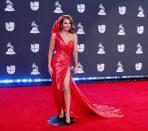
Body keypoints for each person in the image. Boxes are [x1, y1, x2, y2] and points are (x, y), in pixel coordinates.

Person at [48, 15, 123, 125]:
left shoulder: (74, 35)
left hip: (66, 64)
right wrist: (49, 66)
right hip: (56, 63)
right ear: (61, 24)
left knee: (66, 88)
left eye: (69, 23)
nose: (67, 25)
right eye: (65, 23)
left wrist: (77, 65)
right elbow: (50, 52)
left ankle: (67, 113)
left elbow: (74, 51)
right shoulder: (55, 35)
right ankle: (60, 111)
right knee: (58, 89)